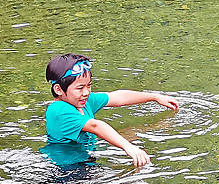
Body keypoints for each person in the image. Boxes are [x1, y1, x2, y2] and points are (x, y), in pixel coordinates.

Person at [43, 54, 180, 169]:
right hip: (65, 171)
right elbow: (95, 126)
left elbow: (119, 97)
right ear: (58, 90)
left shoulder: (84, 101)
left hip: (84, 160)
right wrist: (129, 148)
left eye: (89, 85)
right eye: (80, 88)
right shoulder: (58, 110)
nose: (86, 92)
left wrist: (155, 97)